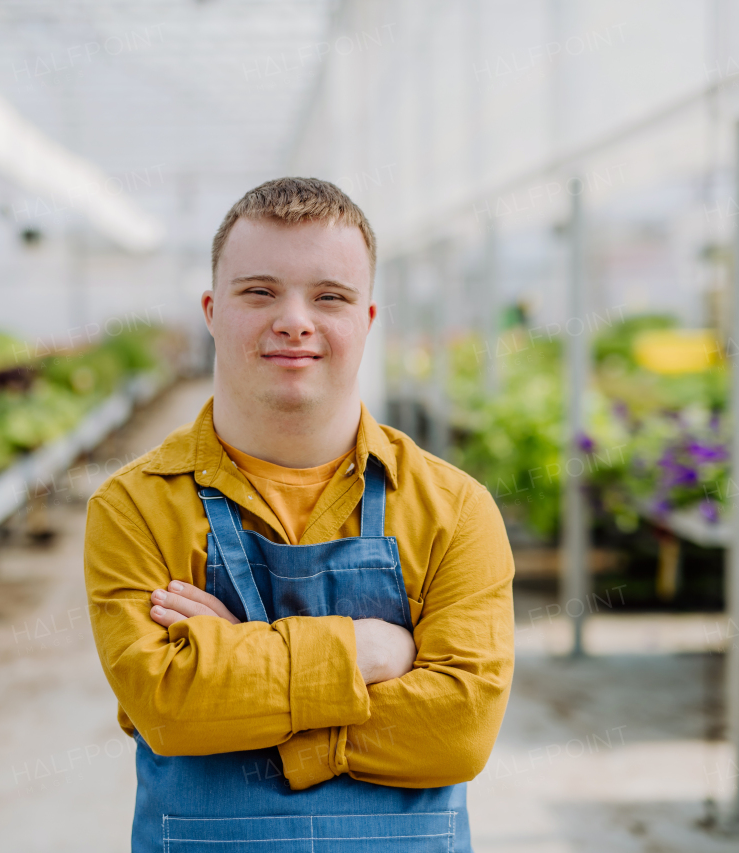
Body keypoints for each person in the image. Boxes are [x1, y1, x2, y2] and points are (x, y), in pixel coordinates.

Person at [84, 177, 514, 852]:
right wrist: (370, 653)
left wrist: (238, 662)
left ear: (367, 319)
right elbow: (169, 710)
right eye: (259, 291)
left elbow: (458, 730)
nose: (294, 320)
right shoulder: (135, 507)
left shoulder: (454, 508)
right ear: (211, 310)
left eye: (329, 297)